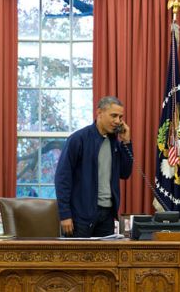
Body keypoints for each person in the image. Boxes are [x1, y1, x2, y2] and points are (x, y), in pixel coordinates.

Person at [54, 96, 133, 237]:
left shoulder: (115, 142)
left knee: (105, 259)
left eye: (120, 117)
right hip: (80, 217)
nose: (117, 121)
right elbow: (62, 178)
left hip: (107, 216)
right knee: (77, 259)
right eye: (113, 115)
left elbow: (125, 173)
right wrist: (64, 214)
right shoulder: (78, 139)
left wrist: (126, 142)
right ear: (99, 113)